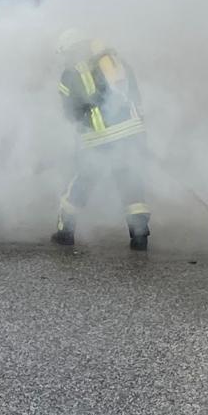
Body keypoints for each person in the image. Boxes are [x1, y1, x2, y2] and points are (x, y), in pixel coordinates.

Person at [51, 30, 151, 250]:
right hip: (131, 133)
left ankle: (65, 232)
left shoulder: (70, 74)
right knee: (131, 183)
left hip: (98, 139)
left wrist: (85, 117)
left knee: (81, 183)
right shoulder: (116, 63)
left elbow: (70, 112)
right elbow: (135, 94)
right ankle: (139, 236)